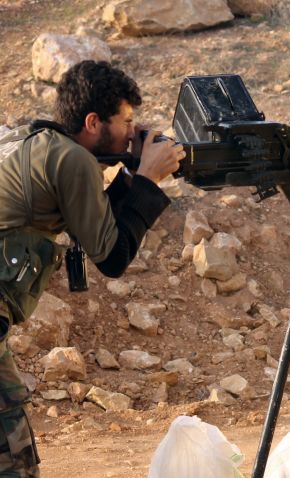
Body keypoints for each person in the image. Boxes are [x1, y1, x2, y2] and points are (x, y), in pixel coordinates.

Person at [0, 60, 184, 476]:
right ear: (92, 121)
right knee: (13, 460)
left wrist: (133, 172)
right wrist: (148, 181)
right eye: (126, 121)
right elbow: (114, 257)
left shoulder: (36, 140)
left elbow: (95, 220)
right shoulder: (73, 160)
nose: (132, 132)